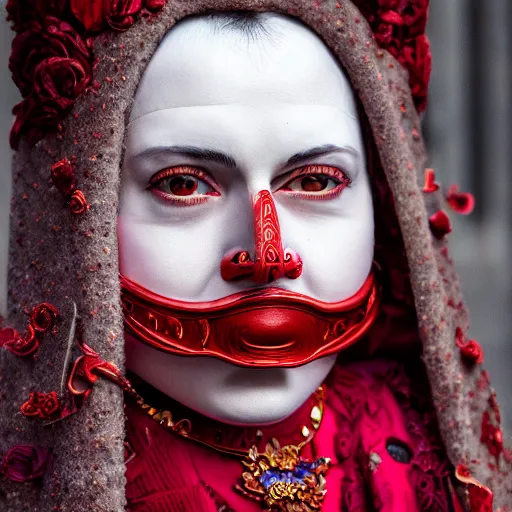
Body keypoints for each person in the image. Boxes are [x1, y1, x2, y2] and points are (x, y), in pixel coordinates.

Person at [0, 1, 510, 511]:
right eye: (183, 184)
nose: (268, 257)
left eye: (314, 182)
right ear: (75, 218)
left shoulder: (412, 441)